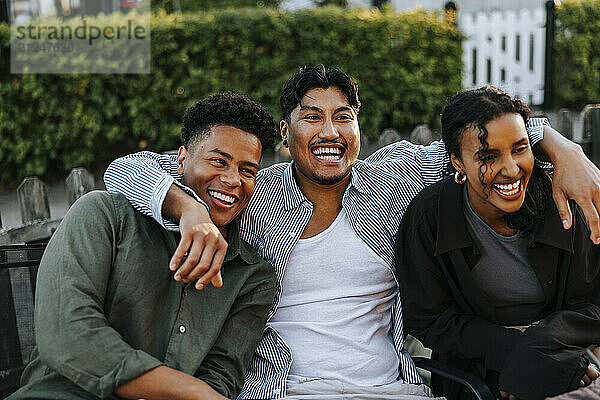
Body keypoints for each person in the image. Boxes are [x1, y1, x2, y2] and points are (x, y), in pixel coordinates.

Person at [104, 66, 600, 399]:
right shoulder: (253, 193)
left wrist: (562, 148)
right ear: (285, 132)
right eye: (311, 117)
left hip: (394, 388)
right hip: (285, 389)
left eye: (343, 117)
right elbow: (124, 172)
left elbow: (477, 143)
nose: (330, 132)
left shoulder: (392, 178)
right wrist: (189, 210)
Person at [8, 92, 278, 400]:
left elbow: (220, 377)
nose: (233, 180)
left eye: (247, 170)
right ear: (182, 159)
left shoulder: (252, 278)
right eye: (218, 161)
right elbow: (67, 337)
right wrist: (192, 391)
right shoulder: (103, 215)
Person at [395, 86, 600, 400]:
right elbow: (429, 320)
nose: (511, 169)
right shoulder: (429, 218)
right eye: (489, 157)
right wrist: (516, 354)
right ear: (457, 162)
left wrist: (541, 348)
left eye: (519, 149)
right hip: (473, 374)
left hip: (565, 355)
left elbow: (592, 303)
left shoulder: (562, 204)